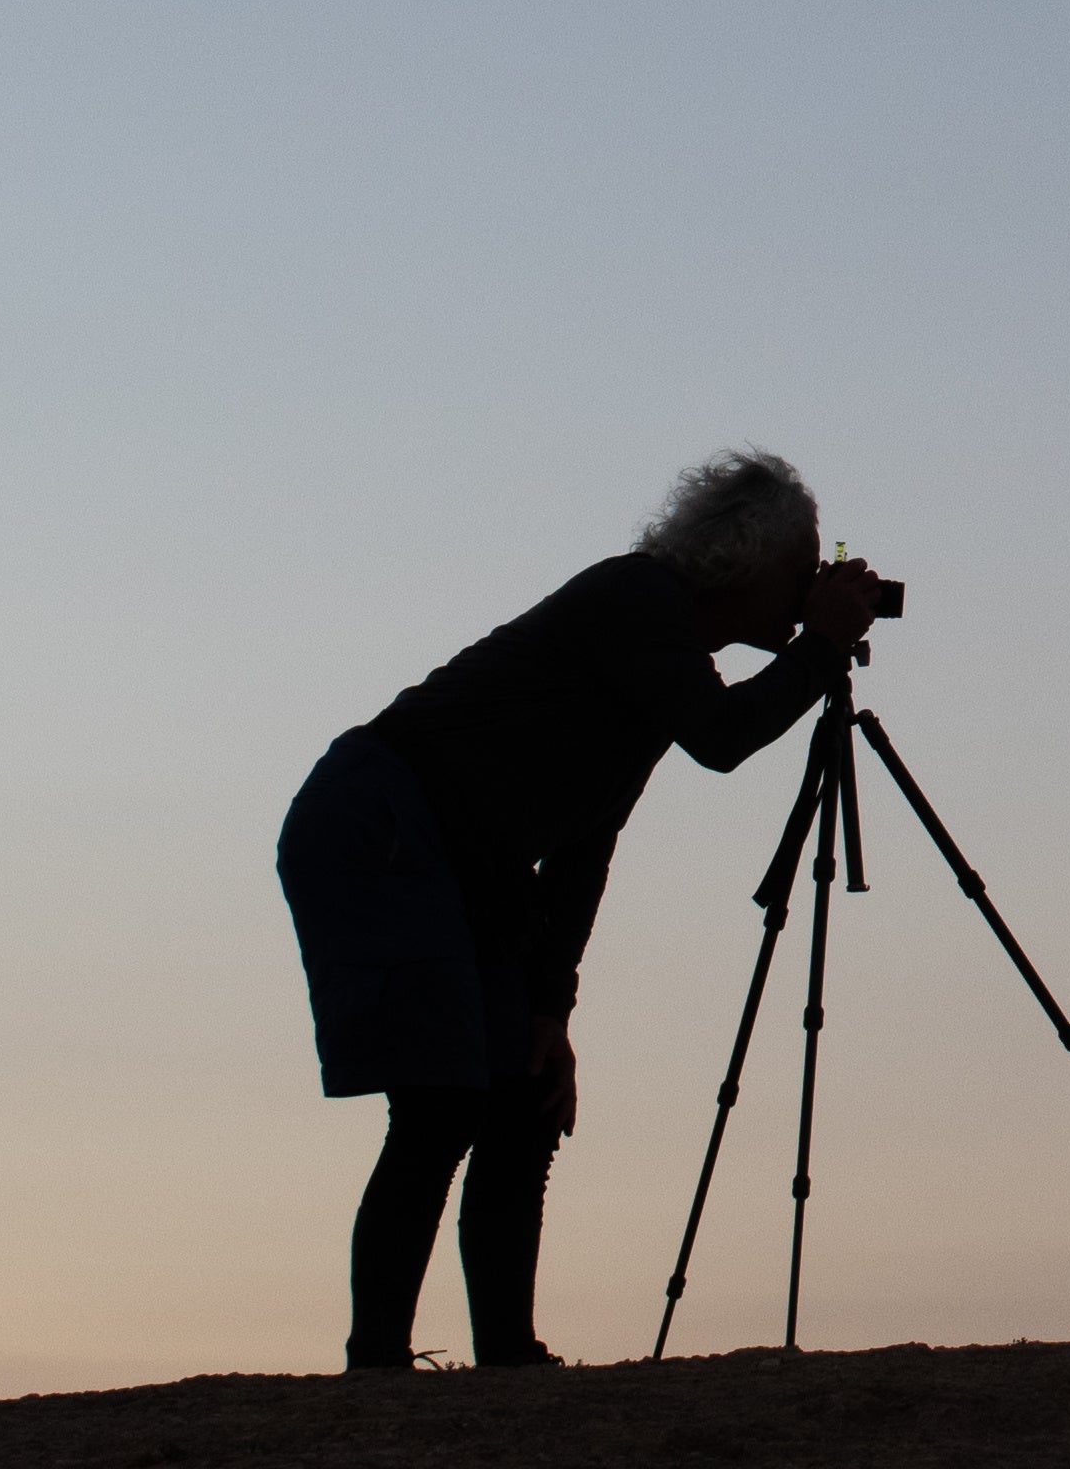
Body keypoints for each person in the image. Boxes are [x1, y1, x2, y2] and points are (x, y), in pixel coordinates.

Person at [275, 451, 890, 1372]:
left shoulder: (666, 657)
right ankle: (377, 1368)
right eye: (801, 570)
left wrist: (548, 1005)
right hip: (382, 820)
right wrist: (822, 648)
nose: (809, 592)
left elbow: (584, 849)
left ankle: (508, 1361)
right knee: (442, 1100)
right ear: (744, 557)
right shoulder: (638, 598)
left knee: (522, 1089)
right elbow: (722, 739)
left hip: (467, 859)